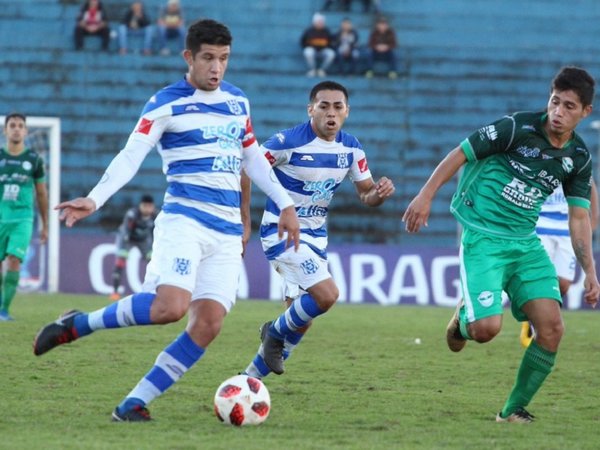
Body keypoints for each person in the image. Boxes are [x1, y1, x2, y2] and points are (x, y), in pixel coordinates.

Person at [32, 19, 300, 422]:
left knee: (208, 324)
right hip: (184, 221)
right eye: (208, 58)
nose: (216, 68)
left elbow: (252, 160)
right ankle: (79, 324)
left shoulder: (237, 103)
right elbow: (130, 155)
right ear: (188, 57)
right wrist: (95, 197)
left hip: (226, 233)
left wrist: (285, 203)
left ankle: (132, 404)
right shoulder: (165, 103)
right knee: (169, 307)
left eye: (224, 59)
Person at [403, 66, 600, 423]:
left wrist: (590, 271)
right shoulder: (516, 127)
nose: (558, 112)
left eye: (569, 106)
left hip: (525, 243)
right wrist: (425, 195)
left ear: (585, 112)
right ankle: (462, 321)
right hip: (483, 237)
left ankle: (512, 410)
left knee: (553, 329)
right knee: (485, 330)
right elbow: (461, 152)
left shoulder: (578, 158)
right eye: (555, 101)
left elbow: (579, 217)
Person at [241, 80, 395, 378]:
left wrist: (378, 193)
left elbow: (366, 194)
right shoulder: (287, 142)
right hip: (281, 233)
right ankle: (272, 332)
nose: (331, 113)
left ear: (347, 112)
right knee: (327, 295)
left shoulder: (351, 148)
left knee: (302, 317)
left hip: (315, 237)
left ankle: (248, 381)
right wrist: (244, 221)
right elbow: (247, 168)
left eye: (338, 107)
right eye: (323, 106)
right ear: (311, 109)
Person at [520, 181, 599, 347]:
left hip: (567, 228)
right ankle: (535, 321)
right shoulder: (538, 156)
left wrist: (594, 218)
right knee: (541, 278)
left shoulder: (576, 158)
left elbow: (589, 183)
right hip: (540, 224)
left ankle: (535, 315)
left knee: (563, 284)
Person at [0, 113, 49, 321]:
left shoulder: (34, 160)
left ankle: (4, 310)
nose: (17, 129)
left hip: (23, 219)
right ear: (5, 130)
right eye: (12, 125)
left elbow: (41, 193)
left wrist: (45, 224)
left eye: (21, 125)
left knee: (14, 260)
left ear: (26, 131)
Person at [109, 194, 157, 301]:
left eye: (150, 206)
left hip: (143, 240)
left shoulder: (155, 216)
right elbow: (126, 230)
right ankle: (115, 292)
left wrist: (153, 246)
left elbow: (155, 232)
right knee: (121, 261)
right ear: (140, 206)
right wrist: (124, 247)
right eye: (145, 206)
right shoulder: (132, 215)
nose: (148, 209)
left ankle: (154, 290)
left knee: (153, 262)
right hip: (128, 239)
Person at [300, 12, 336, 78]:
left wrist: (326, 46)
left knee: (331, 54)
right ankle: (312, 70)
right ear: (314, 22)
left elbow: (332, 42)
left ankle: (322, 70)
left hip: (323, 50)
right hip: (313, 50)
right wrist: (309, 46)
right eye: (319, 21)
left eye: (321, 21)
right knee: (307, 51)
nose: (320, 23)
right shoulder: (309, 31)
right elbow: (302, 41)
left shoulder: (327, 31)